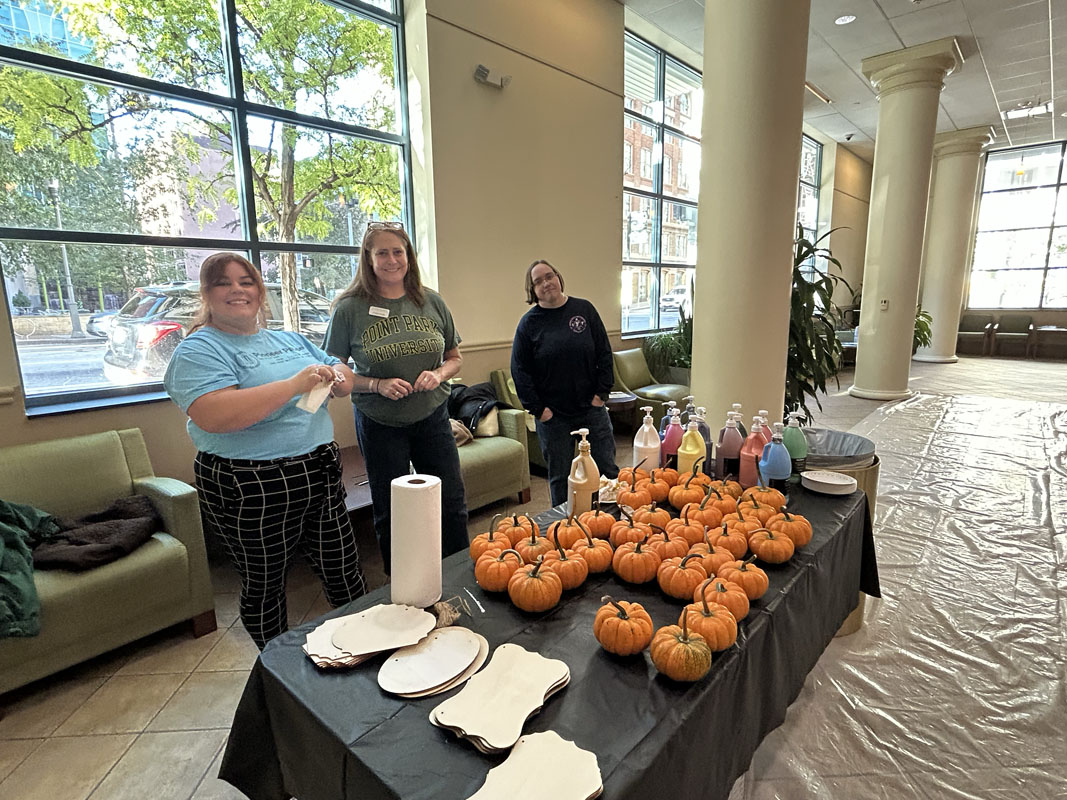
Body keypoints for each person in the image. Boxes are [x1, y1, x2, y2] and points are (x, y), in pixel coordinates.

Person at [163, 252, 367, 650]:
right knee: (266, 581)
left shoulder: (289, 339)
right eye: (224, 282)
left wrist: (340, 377)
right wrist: (294, 385)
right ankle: (278, 669)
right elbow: (216, 415)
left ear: (259, 290)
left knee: (343, 567)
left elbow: (340, 369)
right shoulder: (198, 350)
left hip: (319, 468)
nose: (237, 290)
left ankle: (363, 643)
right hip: (250, 483)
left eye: (247, 281)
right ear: (207, 294)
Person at [325, 222, 468, 574]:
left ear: (409, 257)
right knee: (391, 508)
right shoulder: (349, 309)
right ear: (368, 259)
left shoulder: (431, 301)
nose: (392, 260)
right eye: (382, 253)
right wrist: (376, 385)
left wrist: (436, 374)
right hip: (380, 423)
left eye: (398, 251)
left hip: (432, 415)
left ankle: (459, 573)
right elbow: (333, 372)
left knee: (451, 500)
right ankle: (402, 582)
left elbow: (455, 358)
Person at [511, 259, 618, 506]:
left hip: (591, 410)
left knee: (607, 471)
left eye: (549, 276)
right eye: (538, 281)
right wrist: (540, 411)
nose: (546, 283)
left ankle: (611, 522)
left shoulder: (584, 310)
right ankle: (565, 529)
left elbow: (604, 352)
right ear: (532, 291)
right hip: (554, 418)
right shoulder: (529, 324)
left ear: (558, 277)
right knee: (560, 478)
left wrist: (601, 395)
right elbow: (520, 371)